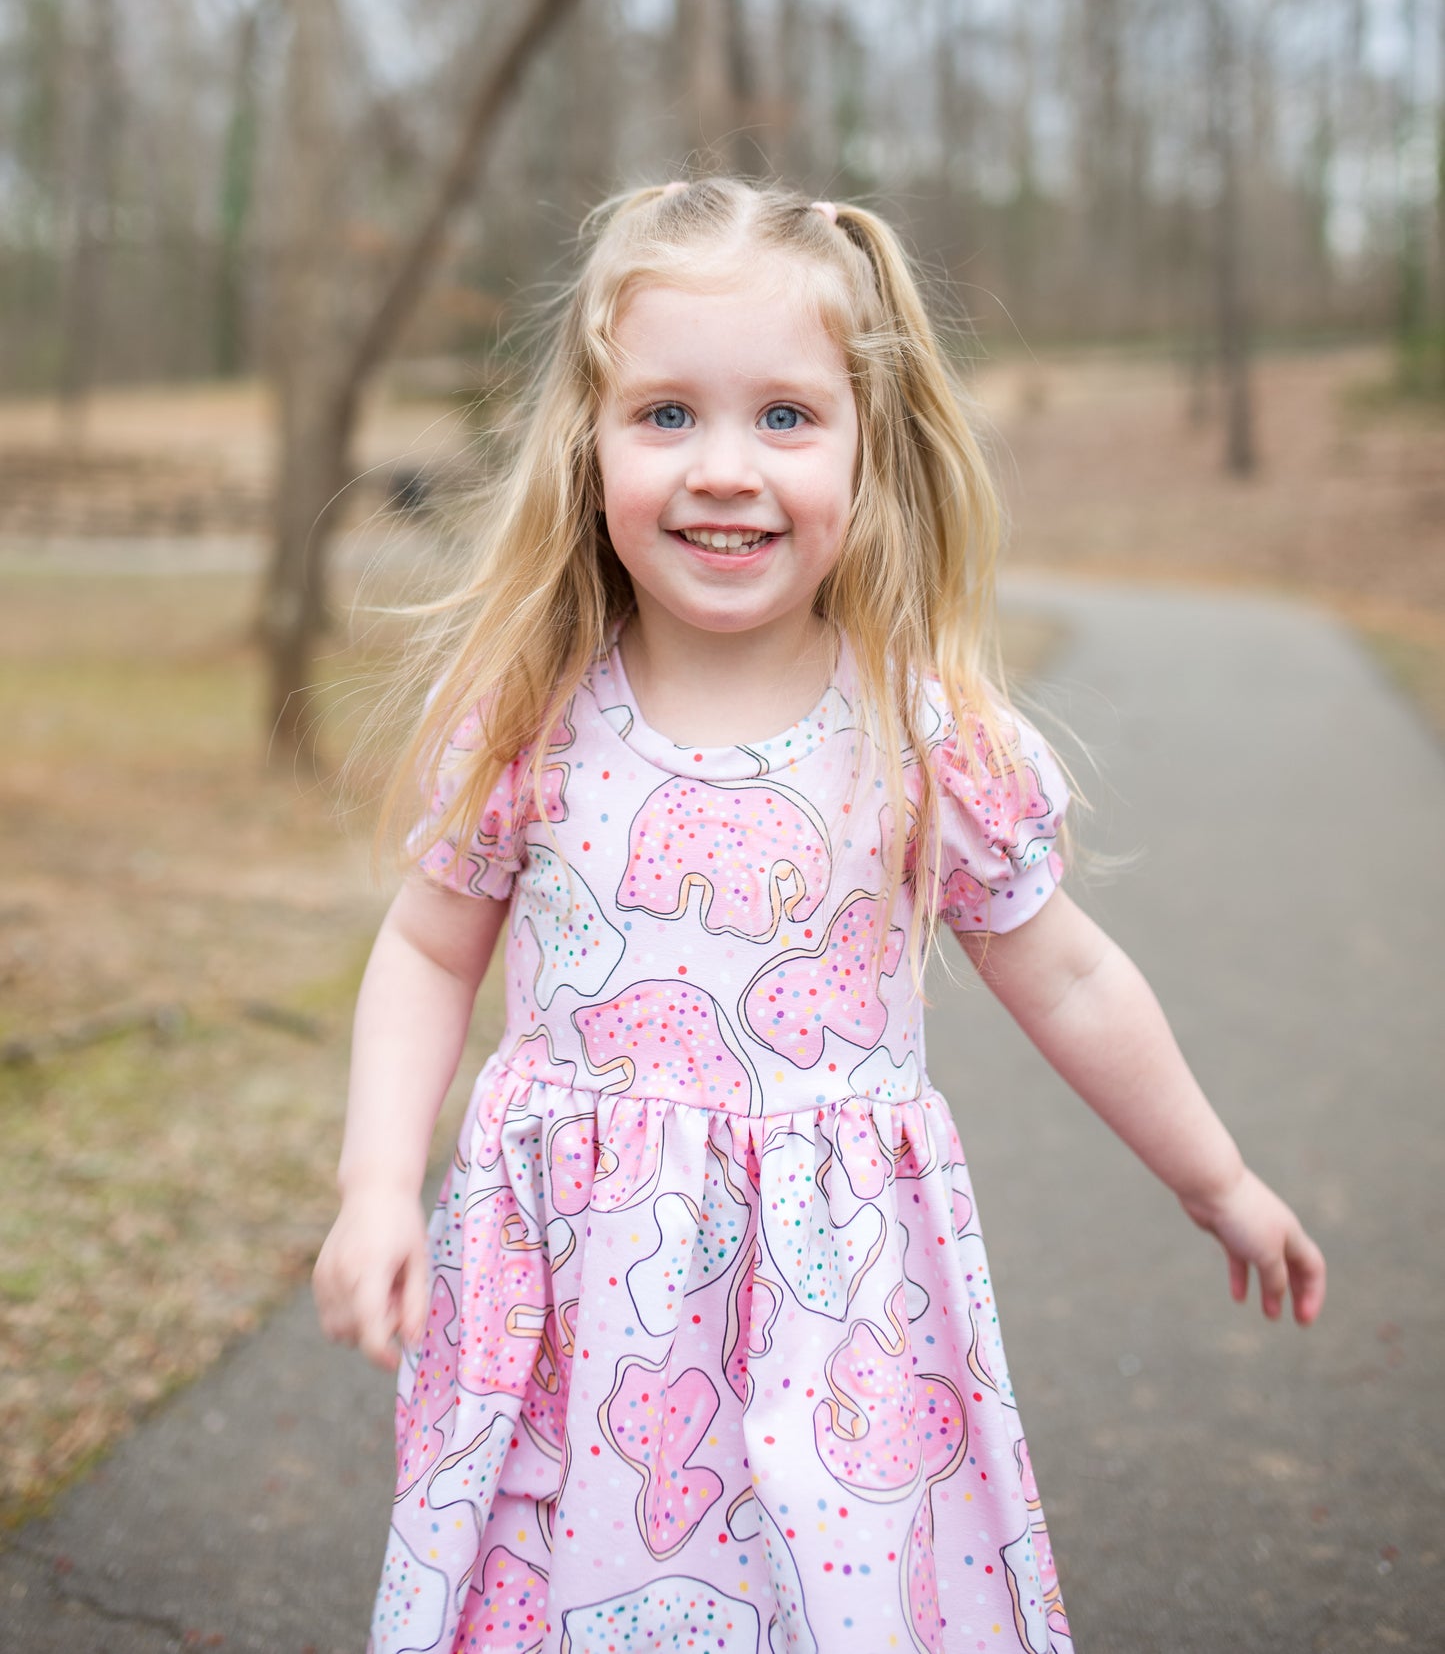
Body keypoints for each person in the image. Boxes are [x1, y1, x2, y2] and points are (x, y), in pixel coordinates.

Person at [313, 178, 1325, 1654]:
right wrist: (372, 1186)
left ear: (870, 453)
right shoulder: (529, 719)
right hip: (573, 1315)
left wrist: (1214, 1179)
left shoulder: (927, 739)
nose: (723, 468)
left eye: (784, 417)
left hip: (836, 1313)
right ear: (586, 446)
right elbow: (422, 948)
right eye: (665, 415)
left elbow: (1070, 975)